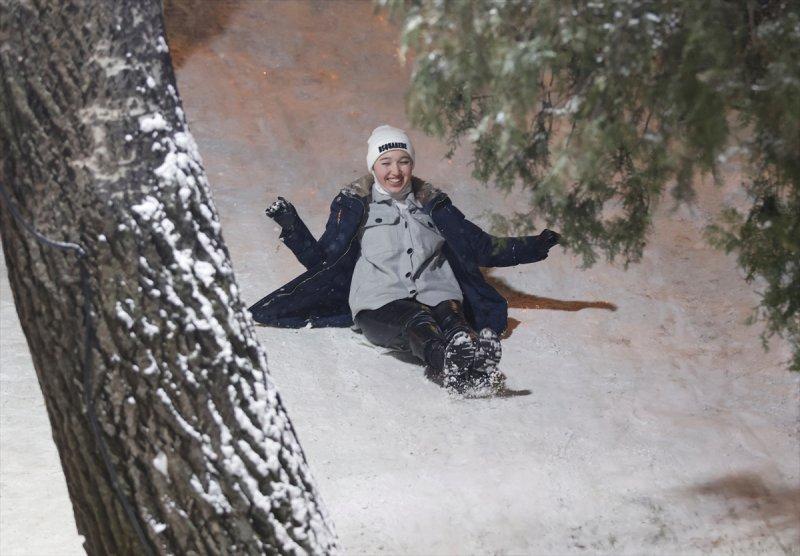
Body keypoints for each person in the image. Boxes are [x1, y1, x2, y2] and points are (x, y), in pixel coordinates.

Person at [249, 125, 560, 394]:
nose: (395, 171)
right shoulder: (357, 207)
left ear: (412, 164)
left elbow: (480, 246)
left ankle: (475, 359)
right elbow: (322, 261)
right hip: (380, 301)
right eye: (385, 162)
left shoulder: (433, 205)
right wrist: (292, 226)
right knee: (418, 322)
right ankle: (445, 362)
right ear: (373, 166)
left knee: (453, 318)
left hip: (437, 292)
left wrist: (534, 246)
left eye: (403, 161)